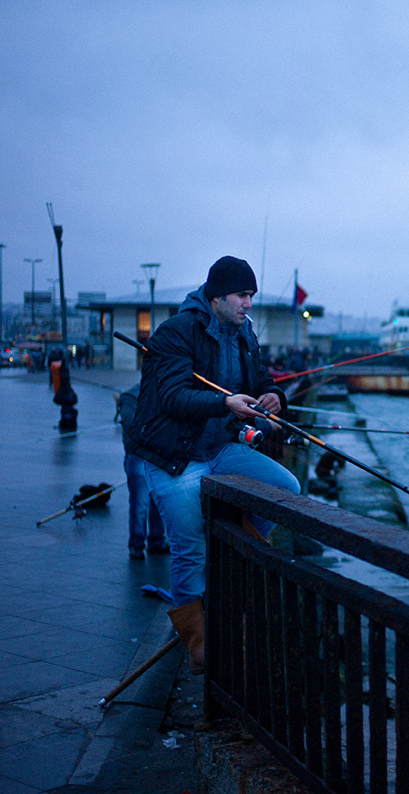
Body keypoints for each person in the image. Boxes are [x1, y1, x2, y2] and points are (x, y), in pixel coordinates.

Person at [129, 255, 300, 673]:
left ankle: (227, 555)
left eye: (252, 297)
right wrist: (224, 402)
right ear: (218, 296)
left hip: (221, 447)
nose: (248, 304)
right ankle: (199, 646)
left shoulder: (244, 333)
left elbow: (258, 381)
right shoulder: (176, 332)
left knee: (286, 490)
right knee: (188, 547)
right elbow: (172, 397)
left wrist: (274, 397)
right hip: (175, 455)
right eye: (243, 296)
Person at [116, 384, 170, 560]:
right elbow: (132, 425)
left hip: (157, 454)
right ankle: (136, 544)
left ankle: (156, 540)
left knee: (157, 500)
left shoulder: (160, 391)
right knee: (140, 503)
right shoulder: (129, 397)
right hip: (138, 456)